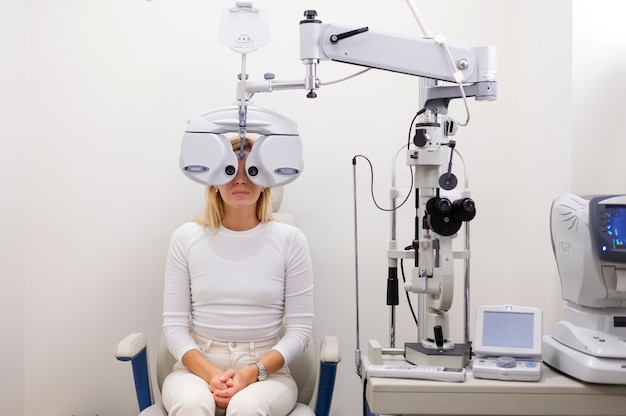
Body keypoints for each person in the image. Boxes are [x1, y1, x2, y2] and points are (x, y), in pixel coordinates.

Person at [161, 136, 314, 416]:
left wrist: (251, 373)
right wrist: (211, 375)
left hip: (267, 372)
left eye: (252, 171)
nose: (240, 180)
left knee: (248, 408)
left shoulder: (290, 240)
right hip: (195, 368)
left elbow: (300, 332)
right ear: (213, 180)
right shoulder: (186, 238)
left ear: (267, 179)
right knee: (192, 405)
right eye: (230, 170)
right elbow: (173, 327)